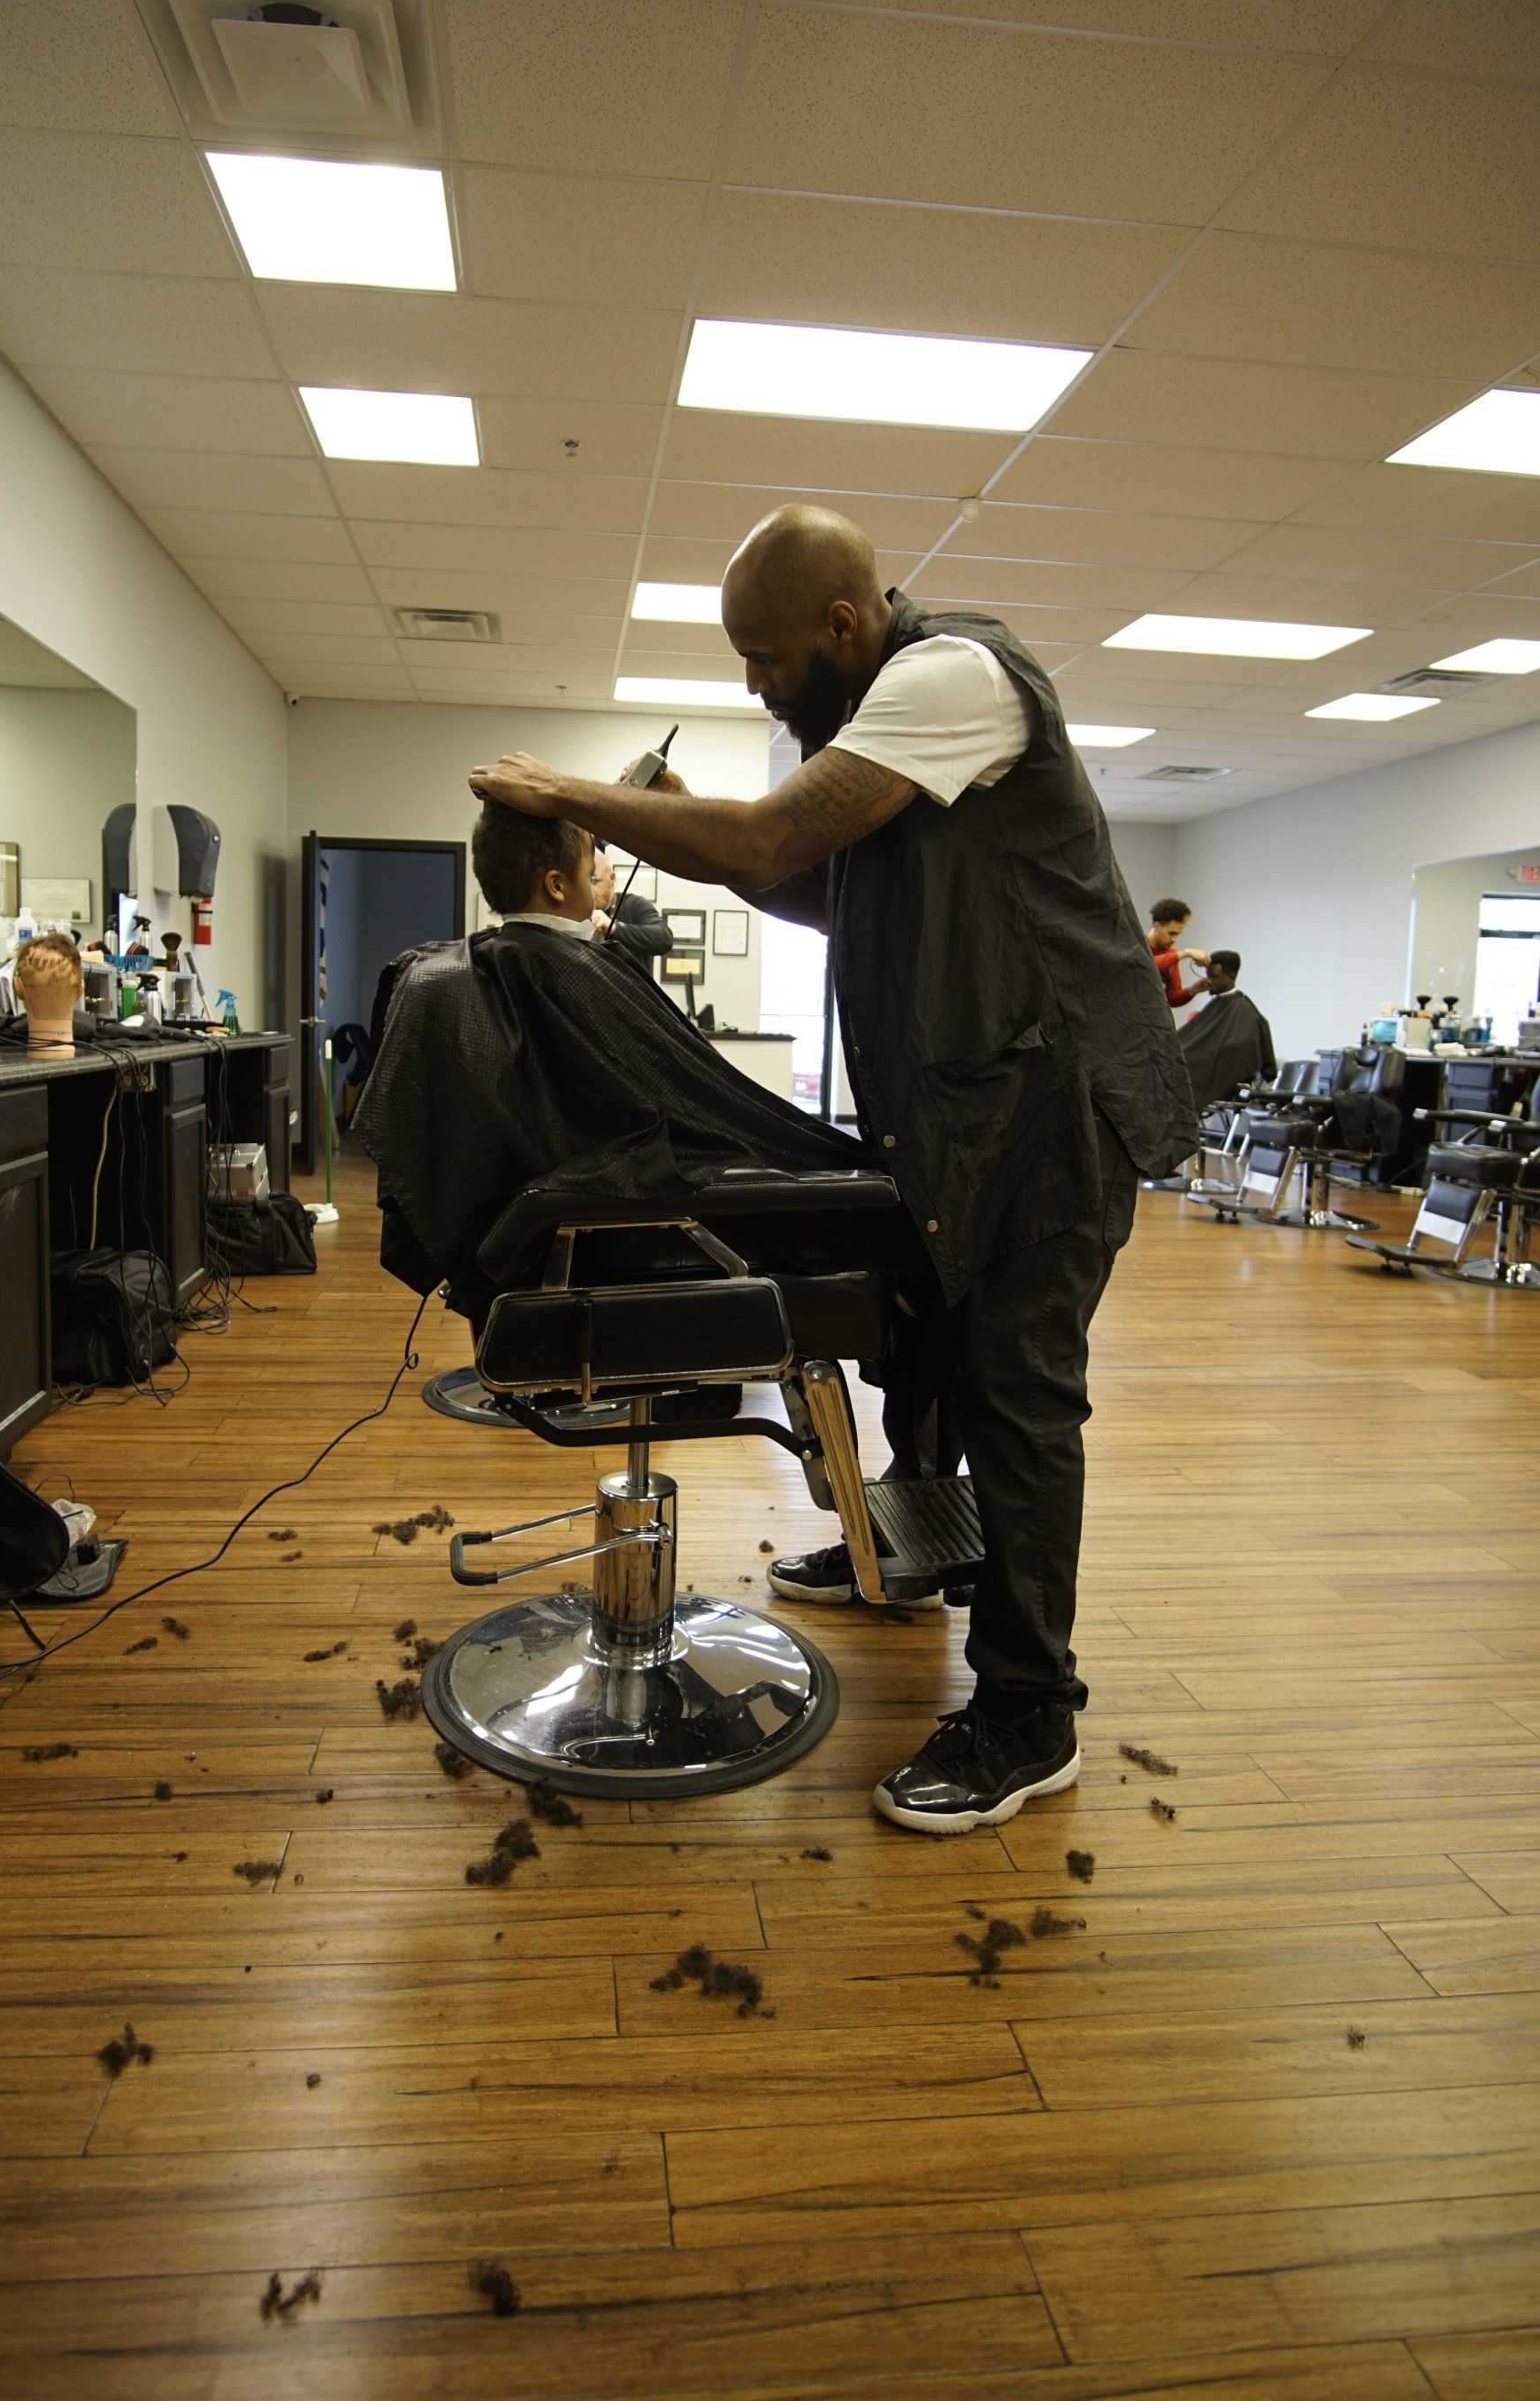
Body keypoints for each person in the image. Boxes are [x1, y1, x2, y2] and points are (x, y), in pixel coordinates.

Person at [469, 503, 1197, 1836]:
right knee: (928, 1337)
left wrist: (569, 793)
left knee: (1020, 1397)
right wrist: (688, 818)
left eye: (766, 657)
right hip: (969, 1112)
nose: (753, 683)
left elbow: (771, 843)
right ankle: (909, 1558)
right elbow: (813, 886)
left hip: (1057, 1114)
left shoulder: (952, 679)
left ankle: (1031, 1713)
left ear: (845, 627)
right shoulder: (888, 727)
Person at [356, 799, 922, 1321]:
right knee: (883, 1204)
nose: (599, 891)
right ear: (557, 885)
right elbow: (702, 1111)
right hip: (627, 1233)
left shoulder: (494, 967)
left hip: (548, 1238)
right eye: (588, 873)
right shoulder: (568, 970)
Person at [1179, 950, 1276, 1110]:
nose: (1208, 981)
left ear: (1231, 977)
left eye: (1214, 976)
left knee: (1179, 1067)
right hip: (1200, 1073)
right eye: (1207, 975)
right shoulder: (1217, 1006)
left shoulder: (1244, 1011)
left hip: (1225, 1085)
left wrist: (1195, 1055)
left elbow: (1237, 1049)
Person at [591, 847, 673, 971]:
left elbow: (664, 938)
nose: (589, 890)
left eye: (594, 881)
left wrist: (614, 928)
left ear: (612, 879)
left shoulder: (633, 905)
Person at [1147, 897, 1211, 1009]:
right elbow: (1146, 964)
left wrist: (1192, 991)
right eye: (1171, 933)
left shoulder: (1171, 954)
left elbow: (1171, 998)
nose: (1174, 939)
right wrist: (1186, 953)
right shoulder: (1137, 947)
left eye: (1177, 934)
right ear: (1157, 926)